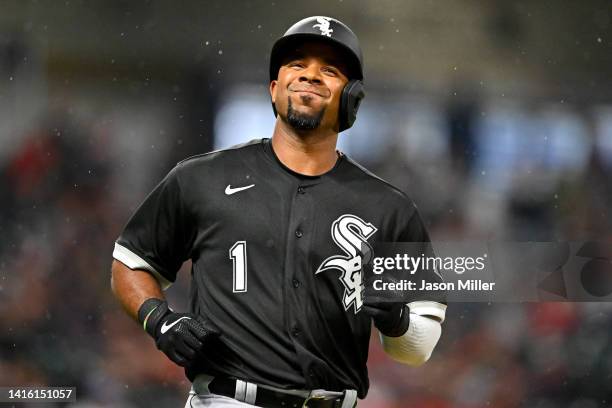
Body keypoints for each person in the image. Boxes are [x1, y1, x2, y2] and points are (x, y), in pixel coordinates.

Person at [111, 16, 446, 408]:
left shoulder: (389, 207)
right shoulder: (201, 177)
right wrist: (159, 318)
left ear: (353, 97)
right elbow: (130, 261)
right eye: (297, 65)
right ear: (274, 88)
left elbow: (418, 347)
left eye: (330, 70)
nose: (310, 76)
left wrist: (396, 320)